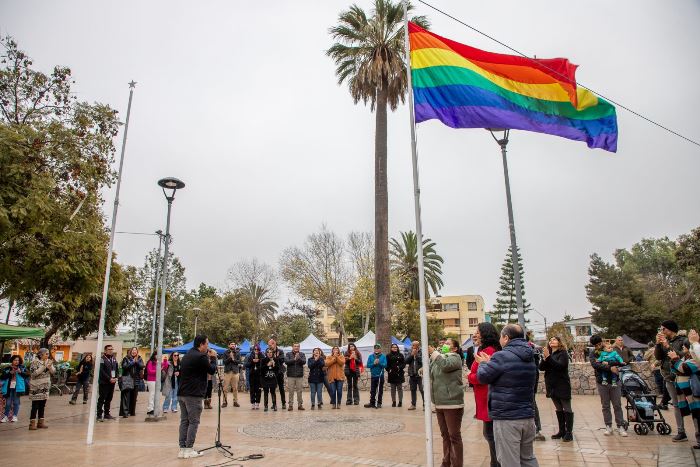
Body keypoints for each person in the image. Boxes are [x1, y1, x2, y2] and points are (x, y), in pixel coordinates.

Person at [476, 324, 539, 467]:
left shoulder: (502, 356)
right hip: (527, 416)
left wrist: (484, 363)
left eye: (501, 337)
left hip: (507, 418)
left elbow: (483, 377)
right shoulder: (530, 356)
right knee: (527, 459)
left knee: (509, 461)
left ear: (506, 338)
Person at [177, 335, 217, 459]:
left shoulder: (188, 354)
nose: (208, 347)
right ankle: (189, 448)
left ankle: (183, 449)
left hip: (182, 393)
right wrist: (214, 358)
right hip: (193, 395)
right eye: (207, 344)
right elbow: (211, 370)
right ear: (201, 344)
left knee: (184, 421)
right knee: (194, 421)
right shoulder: (201, 357)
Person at [468, 323, 501, 467]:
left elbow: (484, 376)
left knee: (491, 435)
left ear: (485, 334)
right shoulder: (489, 349)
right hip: (485, 398)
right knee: (490, 435)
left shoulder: (487, 351)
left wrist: (470, 376)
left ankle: (496, 463)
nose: (475, 335)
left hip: (488, 398)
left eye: (477, 332)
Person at [429, 338, 465, 467]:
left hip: (452, 403)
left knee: (454, 436)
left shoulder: (456, 358)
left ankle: (457, 464)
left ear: (455, 348)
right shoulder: (440, 357)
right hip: (439, 402)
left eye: (448, 344)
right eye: (444, 343)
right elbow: (430, 371)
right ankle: (446, 462)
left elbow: (445, 365)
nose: (445, 345)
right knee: (445, 435)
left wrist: (434, 354)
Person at [656, 319, 691, 441]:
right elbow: (658, 357)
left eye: (663, 329)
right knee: (676, 405)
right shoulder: (664, 341)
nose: (661, 331)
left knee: (693, 404)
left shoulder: (683, 340)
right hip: (669, 377)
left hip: (683, 376)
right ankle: (681, 432)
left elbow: (682, 355)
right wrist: (658, 344)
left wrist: (667, 345)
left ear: (670, 329)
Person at [589, 335, 627, 437]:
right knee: (605, 406)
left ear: (602, 341)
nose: (598, 346)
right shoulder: (593, 353)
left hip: (615, 380)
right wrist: (609, 368)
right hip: (602, 382)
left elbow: (619, 361)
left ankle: (620, 426)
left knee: (617, 405)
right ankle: (608, 426)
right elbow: (595, 365)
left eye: (599, 343)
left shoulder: (611, 349)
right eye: (596, 345)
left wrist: (607, 363)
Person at [540, 336, 574, 442]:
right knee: (559, 408)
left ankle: (569, 433)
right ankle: (562, 431)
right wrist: (545, 359)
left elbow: (560, 366)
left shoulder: (563, 353)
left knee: (566, 408)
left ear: (559, 342)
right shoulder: (549, 354)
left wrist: (548, 357)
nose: (551, 341)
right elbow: (541, 367)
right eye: (550, 340)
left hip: (562, 384)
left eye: (554, 340)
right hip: (551, 385)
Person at [669, 341, 700, 449]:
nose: (682, 346)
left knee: (697, 415)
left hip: (694, 392)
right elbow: (676, 369)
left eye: (685, 345)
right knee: (695, 415)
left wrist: (675, 360)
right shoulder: (686, 357)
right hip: (687, 392)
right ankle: (699, 440)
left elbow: (685, 368)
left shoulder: (695, 358)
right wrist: (675, 361)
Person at [27, 348, 56, 430]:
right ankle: (32, 424)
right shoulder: (34, 362)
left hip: (45, 386)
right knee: (35, 405)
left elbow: (53, 372)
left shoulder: (49, 362)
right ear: (40, 354)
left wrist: (50, 367)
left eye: (48, 354)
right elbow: (33, 374)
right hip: (36, 386)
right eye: (46, 354)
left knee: (42, 405)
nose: (48, 355)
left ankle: (41, 422)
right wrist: (44, 367)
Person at [526, 332, 546, 442]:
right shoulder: (532, 349)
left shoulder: (529, 350)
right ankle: (535, 429)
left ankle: (536, 429)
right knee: (532, 402)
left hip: (528, 384)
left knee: (532, 402)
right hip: (530, 382)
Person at [1, 355, 28, 423]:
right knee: (8, 403)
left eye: (18, 360)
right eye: (15, 360)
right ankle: (6, 416)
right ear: (12, 361)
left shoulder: (22, 367)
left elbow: (27, 375)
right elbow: (2, 377)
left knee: (16, 402)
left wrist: (20, 372)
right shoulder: (7, 368)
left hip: (18, 388)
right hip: (8, 388)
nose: (16, 362)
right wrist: (10, 373)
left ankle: (15, 416)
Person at [119, 347, 144, 418]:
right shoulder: (126, 358)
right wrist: (133, 362)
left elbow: (142, 366)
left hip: (136, 379)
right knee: (126, 396)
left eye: (135, 350)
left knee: (134, 397)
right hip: (127, 378)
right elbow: (124, 367)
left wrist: (137, 362)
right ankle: (125, 412)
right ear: (130, 351)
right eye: (133, 350)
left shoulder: (139, 358)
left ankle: (132, 412)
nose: (134, 352)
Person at [96, 344, 119, 422]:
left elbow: (117, 369)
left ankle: (107, 414)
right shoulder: (102, 359)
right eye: (109, 349)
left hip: (112, 382)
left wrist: (116, 377)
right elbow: (101, 371)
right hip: (104, 382)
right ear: (105, 350)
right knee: (102, 398)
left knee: (109, 398)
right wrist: (109, 378)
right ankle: (99, 415)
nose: (111, 350)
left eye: (112, 349)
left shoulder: (114, 359)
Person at [364, 344, 387, 409]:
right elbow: (368, 365)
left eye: (378, 348)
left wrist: (379, 363)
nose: (376, 349)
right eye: (375, 348)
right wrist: (373, 363)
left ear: (380, 349)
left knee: (380, 390)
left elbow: (385, 365)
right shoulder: (371, 356)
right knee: (373, 390)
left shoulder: (383, 356)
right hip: (373, 376)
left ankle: (379, 403)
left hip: (380, 376)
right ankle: (372, 402)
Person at [285, 343, 306, 411]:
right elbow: (286, 362)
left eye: (298, 346)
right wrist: (294, 359)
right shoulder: (288, 354)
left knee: (299, 391)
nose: (296, 347)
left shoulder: (302, 354)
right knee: (291, 391)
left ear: (299, 347)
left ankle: (300, 405)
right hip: (291, 375)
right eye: (295, 346)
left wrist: (298, 358)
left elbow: (304, 362)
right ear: (292, 347)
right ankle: (290, 405)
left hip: (299, 375)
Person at [267, 339, 287, 409]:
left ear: (274, 344)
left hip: (279, 372)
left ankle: (283, 403)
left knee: (281, 388)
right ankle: (274, 404)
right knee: (272, 389)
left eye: (270, 345)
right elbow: (267, 359)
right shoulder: (268, 350)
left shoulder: (280, 351)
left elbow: (281, 361)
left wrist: (275, 358)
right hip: (271, 372)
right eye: (268, 345)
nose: (269, 346)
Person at [405, 340, 424, 410]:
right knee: (413, 390)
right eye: (412, 345)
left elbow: (423, 361)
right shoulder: (409, 351)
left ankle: (425, 405)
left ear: (418, 346)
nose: (412, 346)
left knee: (422, 390)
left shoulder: (422, 351)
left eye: (414, 345)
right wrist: (412, 355)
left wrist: (417, 355)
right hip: (412, 374)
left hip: (420, 375)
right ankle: (413, 405)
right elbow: (406, 361)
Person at [221, 342, 241, 408]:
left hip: (235, 372)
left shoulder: (238, 353)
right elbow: (224, 362)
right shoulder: (225, 352)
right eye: (231, 344)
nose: (233, 345)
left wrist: (233, 359)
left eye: (234, 344)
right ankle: (224, 402)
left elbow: (239, 362)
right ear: (229, 345)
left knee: (235, 388)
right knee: (225, 388)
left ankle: (235, 402)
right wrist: (230, 358)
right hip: (227, 372)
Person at [386, 343, 406, 407]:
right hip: (392, 374)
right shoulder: (388, 355)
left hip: (399, 374)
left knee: (400, 388)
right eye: (393, 347)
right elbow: (386, 365)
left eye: (396, 347)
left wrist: (399, 367)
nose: (395, 348)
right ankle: (394, 401)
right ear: (391, 348)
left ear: (397, 348)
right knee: (393, 389)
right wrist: (389, 370)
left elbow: (404, 364)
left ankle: (400, 402)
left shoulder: (401, 355)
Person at [246, 345, 263, 409]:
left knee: (258, 390)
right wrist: (252, 362)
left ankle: (257, 403)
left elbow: (264, 364)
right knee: (252, 390)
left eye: (257, 350)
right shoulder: (250, 355)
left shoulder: (262, 355)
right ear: (253, 350)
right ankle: (253, 402)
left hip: (259, 375)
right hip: (252, 375)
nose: (256, 351)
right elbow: (246, 364)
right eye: (255, 349)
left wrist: (259, 361)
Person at [261, 348, 279, 412]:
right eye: (268, 352)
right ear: (266, 353)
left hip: (272, 379)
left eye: (271, 352)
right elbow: (261, 370)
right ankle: (265, 406)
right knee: (265, 392)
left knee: (273, 392)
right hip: (265, 379)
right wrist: (267, 365)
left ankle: (274, 405)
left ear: (272, 353)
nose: (269, 353)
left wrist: (274, 366)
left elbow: (278, 370)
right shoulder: (263, 360)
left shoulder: (276, 360)